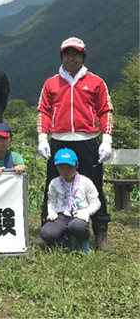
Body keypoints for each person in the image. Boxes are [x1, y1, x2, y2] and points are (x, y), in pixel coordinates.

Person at [36, 37, 113, 251]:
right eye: (67, 54)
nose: (71, 58)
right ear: (62, 56)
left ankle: (100, 232)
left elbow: (105, 110)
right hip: (59, 140)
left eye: (76, 54)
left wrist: (107, 139)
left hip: (87, 141)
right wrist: (42, 138)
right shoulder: (51, 83)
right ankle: (48, 228)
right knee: (52, 183)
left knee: (94, 185)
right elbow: (43, 111)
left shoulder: (96, 82)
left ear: (83, 56)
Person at [40, 148, 100, 254]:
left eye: (69, 167)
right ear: (56, 167)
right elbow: (51, 201)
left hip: (79, 215)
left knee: (77, 226)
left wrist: (87, 212)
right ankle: (64, 238)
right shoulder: (54, 183)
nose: (65, 171)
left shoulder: (86, 182)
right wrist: (51, 212)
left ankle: (83, 242)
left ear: (76, 165)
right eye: (61, 168)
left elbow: (96, 202)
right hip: (61, 215)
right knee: (46, 233)